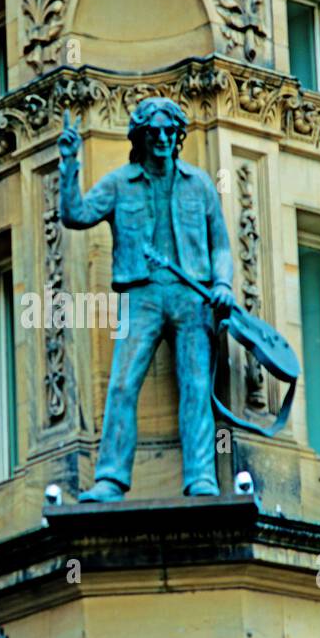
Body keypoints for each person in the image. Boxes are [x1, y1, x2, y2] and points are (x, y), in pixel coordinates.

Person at [59, 96, 234, 501]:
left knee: (194, 386)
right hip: (141, 295)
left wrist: (223, 284)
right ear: (140, 136)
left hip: (193, 296)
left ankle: (201, 476)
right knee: (121, 384)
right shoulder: (120, 183)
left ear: (178, 136)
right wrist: (70, 164)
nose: (161, 138)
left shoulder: (200, 184)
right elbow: (76, 215)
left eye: (169, 132)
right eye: (153, 132)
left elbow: (221, 246)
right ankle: (111, 479)